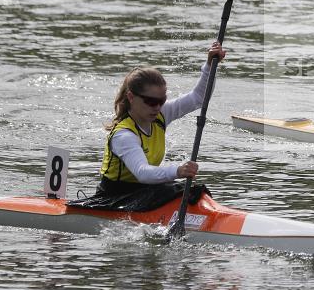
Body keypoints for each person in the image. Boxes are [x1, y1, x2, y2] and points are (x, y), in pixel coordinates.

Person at [97, 42, 226, 197]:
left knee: (194, 193)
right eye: (151, 101)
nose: (157, 107)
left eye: (162, 100)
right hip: (114, 198)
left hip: (145, 192)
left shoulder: (160, 115)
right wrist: (177, 171)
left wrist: (210, 66)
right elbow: (142, 172)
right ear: (131, 97)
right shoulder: (123, 135)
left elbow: (198, 98)